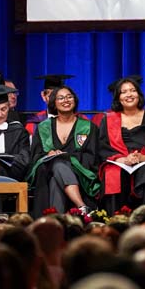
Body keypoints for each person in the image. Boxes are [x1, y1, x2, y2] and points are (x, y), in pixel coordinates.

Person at [97, 75, 145, 214]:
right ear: (118, 97)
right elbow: (102, 147)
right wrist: (122, 159)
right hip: (120, 161)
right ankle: (115, 219)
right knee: (113, 172)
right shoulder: (109, 119)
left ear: (139, 94)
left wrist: (144, 157)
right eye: (123, 92)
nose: (129, 94)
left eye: (133, 90)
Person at [26, 85, 100, 216]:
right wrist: (48, 154)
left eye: (69, 97)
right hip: (47, 171)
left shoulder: (88, 127)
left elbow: (92, 156)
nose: (66, 100)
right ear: (53, 103)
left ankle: (57, 219)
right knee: (56, 165)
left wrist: (67, 157)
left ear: (75, 100)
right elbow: (35, 156)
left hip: (79, 171)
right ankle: (82, 206)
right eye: (60, 98)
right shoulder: (44, 127)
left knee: (57, 171)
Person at [0, 85, 31, 180]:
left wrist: (2, 160)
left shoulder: (18, 130)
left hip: (9, 172)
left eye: (3, 109)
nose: (0, 114)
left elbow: (24, 159)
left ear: (9, 107)